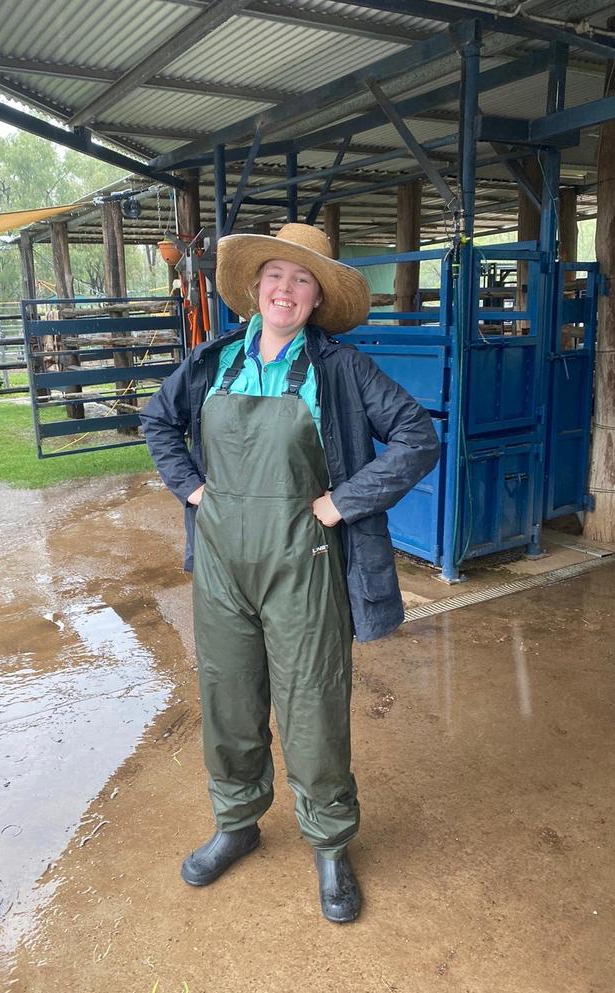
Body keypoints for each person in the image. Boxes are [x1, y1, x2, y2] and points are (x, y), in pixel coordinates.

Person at [140, 223, 440, 923]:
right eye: (276, 275)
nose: (286, 289)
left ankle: (331, 844)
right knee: (228, 700)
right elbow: (159, 422)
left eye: (302, 280)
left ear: (317, 299)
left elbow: (416, 437)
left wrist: (341, 502)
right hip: (220, 564)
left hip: (303, 564)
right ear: (254, 287)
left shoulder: (340, 369)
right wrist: (192, 489)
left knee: (312, 706)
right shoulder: (215, 361)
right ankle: (237, 824)